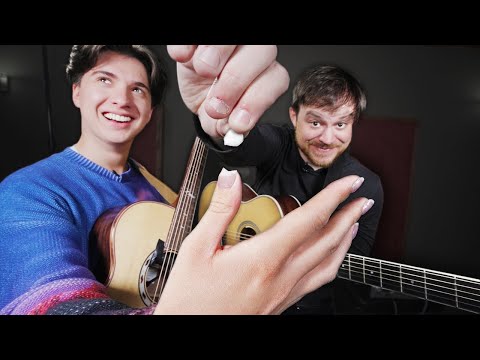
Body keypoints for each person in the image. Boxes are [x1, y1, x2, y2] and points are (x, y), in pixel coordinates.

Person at [0, 45, 374, 315]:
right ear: (76, 91)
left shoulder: (163, 194)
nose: (122, 99)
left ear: (149, 110)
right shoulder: (26, 193)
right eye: (104, 80)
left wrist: (218, 116)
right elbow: (50, 304)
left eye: (138, 89)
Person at [184, 58, 384, 314]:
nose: (327, 138)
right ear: (294, 115)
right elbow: (245, 145)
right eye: (315, 123)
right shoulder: (278, 143)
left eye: (341, 124)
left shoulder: (367, 187)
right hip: (243, 294)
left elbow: (349, 277)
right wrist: (221, 126)